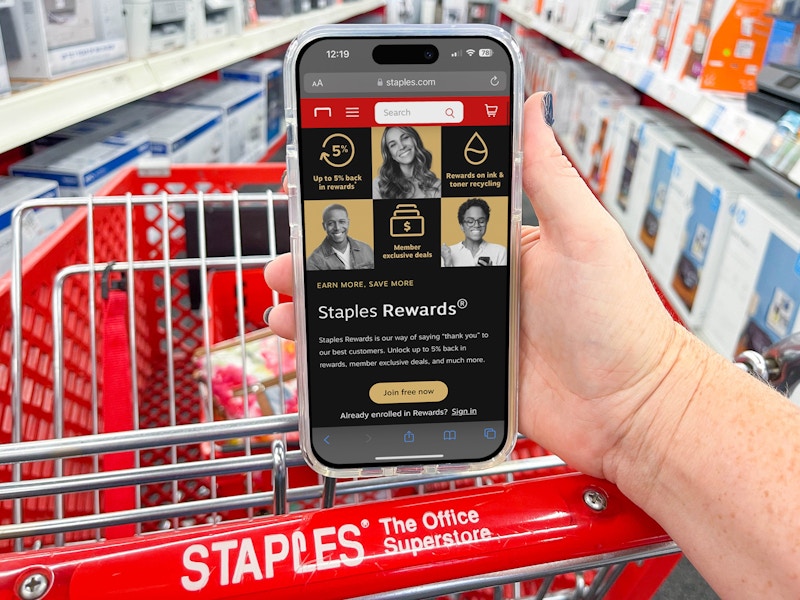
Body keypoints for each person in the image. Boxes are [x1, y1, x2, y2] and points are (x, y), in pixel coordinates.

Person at [266, 92, 800, 598]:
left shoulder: (473, 230)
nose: (398, 148)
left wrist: (651, 397)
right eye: (390, 144)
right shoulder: (380, 204)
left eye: (405, 139)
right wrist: (652, 402)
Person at [372, 126, 442, 199]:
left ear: (415, 140)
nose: (402, 147)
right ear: (390, 154)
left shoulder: (436, 185)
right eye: (393, 145)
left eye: (405, 138)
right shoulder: (379, 185)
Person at [441, 197, 507, 267]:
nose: (476, 225)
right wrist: (447, 263)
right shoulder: (447, 253)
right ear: (462, 226)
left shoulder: (500, 251)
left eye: (481, 221)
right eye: (470, 221)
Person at [306, 203, 374, 271]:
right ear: (324, 226)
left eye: (342, 222)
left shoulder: (366, 250)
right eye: (331, 223)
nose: (337, 228)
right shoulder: (314, 261)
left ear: (348, 223)